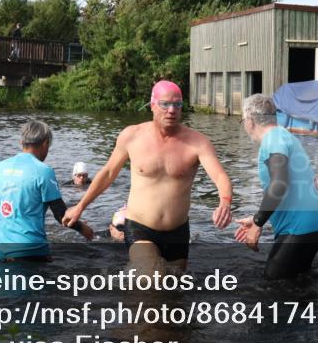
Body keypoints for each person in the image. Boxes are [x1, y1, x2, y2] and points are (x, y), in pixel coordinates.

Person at [62, 80, 233, 272]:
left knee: (172, 290)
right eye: (165, 104)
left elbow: (220, 177)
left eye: (177, 104)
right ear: (152, 105)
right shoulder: (132, 136)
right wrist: (80, 206)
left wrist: (225, 202)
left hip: (178, 231)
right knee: (151, 278)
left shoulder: (197, 142)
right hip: (140, 227)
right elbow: (108, 173)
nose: (171, 110)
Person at [235, 94, 318, 279]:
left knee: (274, 288)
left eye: (242, 120)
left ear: (250, 121)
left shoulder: (272, 140)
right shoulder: (285, 136)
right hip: (313, 227)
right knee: (298, 288)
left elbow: (279, 185)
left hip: (298, 230)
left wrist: (258, 223)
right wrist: (256, 219)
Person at [0, 120, 94, 261]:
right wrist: (84, 229)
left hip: (2, 251)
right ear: (45, 143)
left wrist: (12, 219)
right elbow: (61, 215)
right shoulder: (43, 171)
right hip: (32, 251)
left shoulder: (0, 167)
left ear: (22, 142)